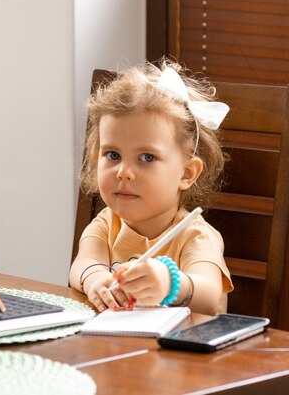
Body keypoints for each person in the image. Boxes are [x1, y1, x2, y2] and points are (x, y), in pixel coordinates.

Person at [69, 59, 233, 316]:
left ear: (187, 173)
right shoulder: (106, 223)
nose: (123, 172)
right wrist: (95, 279)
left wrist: (171, 284)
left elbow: (211, 297)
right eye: (113, 155)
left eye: (147, 158)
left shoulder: (196, 235)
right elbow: (83, 263)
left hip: (182, 352)